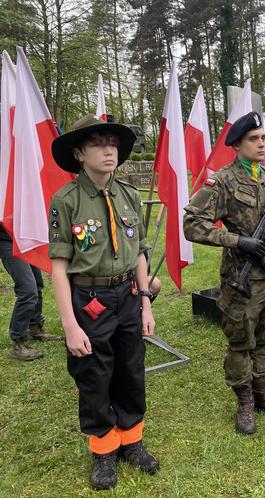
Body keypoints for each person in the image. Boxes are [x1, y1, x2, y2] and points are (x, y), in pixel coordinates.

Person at [48, 115, 158, 490]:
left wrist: (146, 302)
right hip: (89, 297)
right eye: (97, 144)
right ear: (79, 153)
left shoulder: (129, 195)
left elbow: (140, 253)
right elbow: (59, 268)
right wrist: (69, 325)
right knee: (95, 374)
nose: (108, 150)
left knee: (131, 368)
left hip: (127, 294)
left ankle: (131, 441)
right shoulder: (66, 201)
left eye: (113, 143)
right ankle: (104, 449)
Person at [183, 111, 265, 435]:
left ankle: (262, 394)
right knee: (240, 342)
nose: (261, 144)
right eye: (254, 139)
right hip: (242, 280)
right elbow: (192, 223)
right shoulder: (222, 181)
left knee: (264, 339)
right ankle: (244, 400)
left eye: (263, 138)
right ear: (237, 144)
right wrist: (237, 241)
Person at [0, 226, 62, 360]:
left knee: (38, 283)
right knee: (28, 290)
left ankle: (34, 327)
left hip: (24, 236)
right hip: (6, 239)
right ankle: (19, 341)